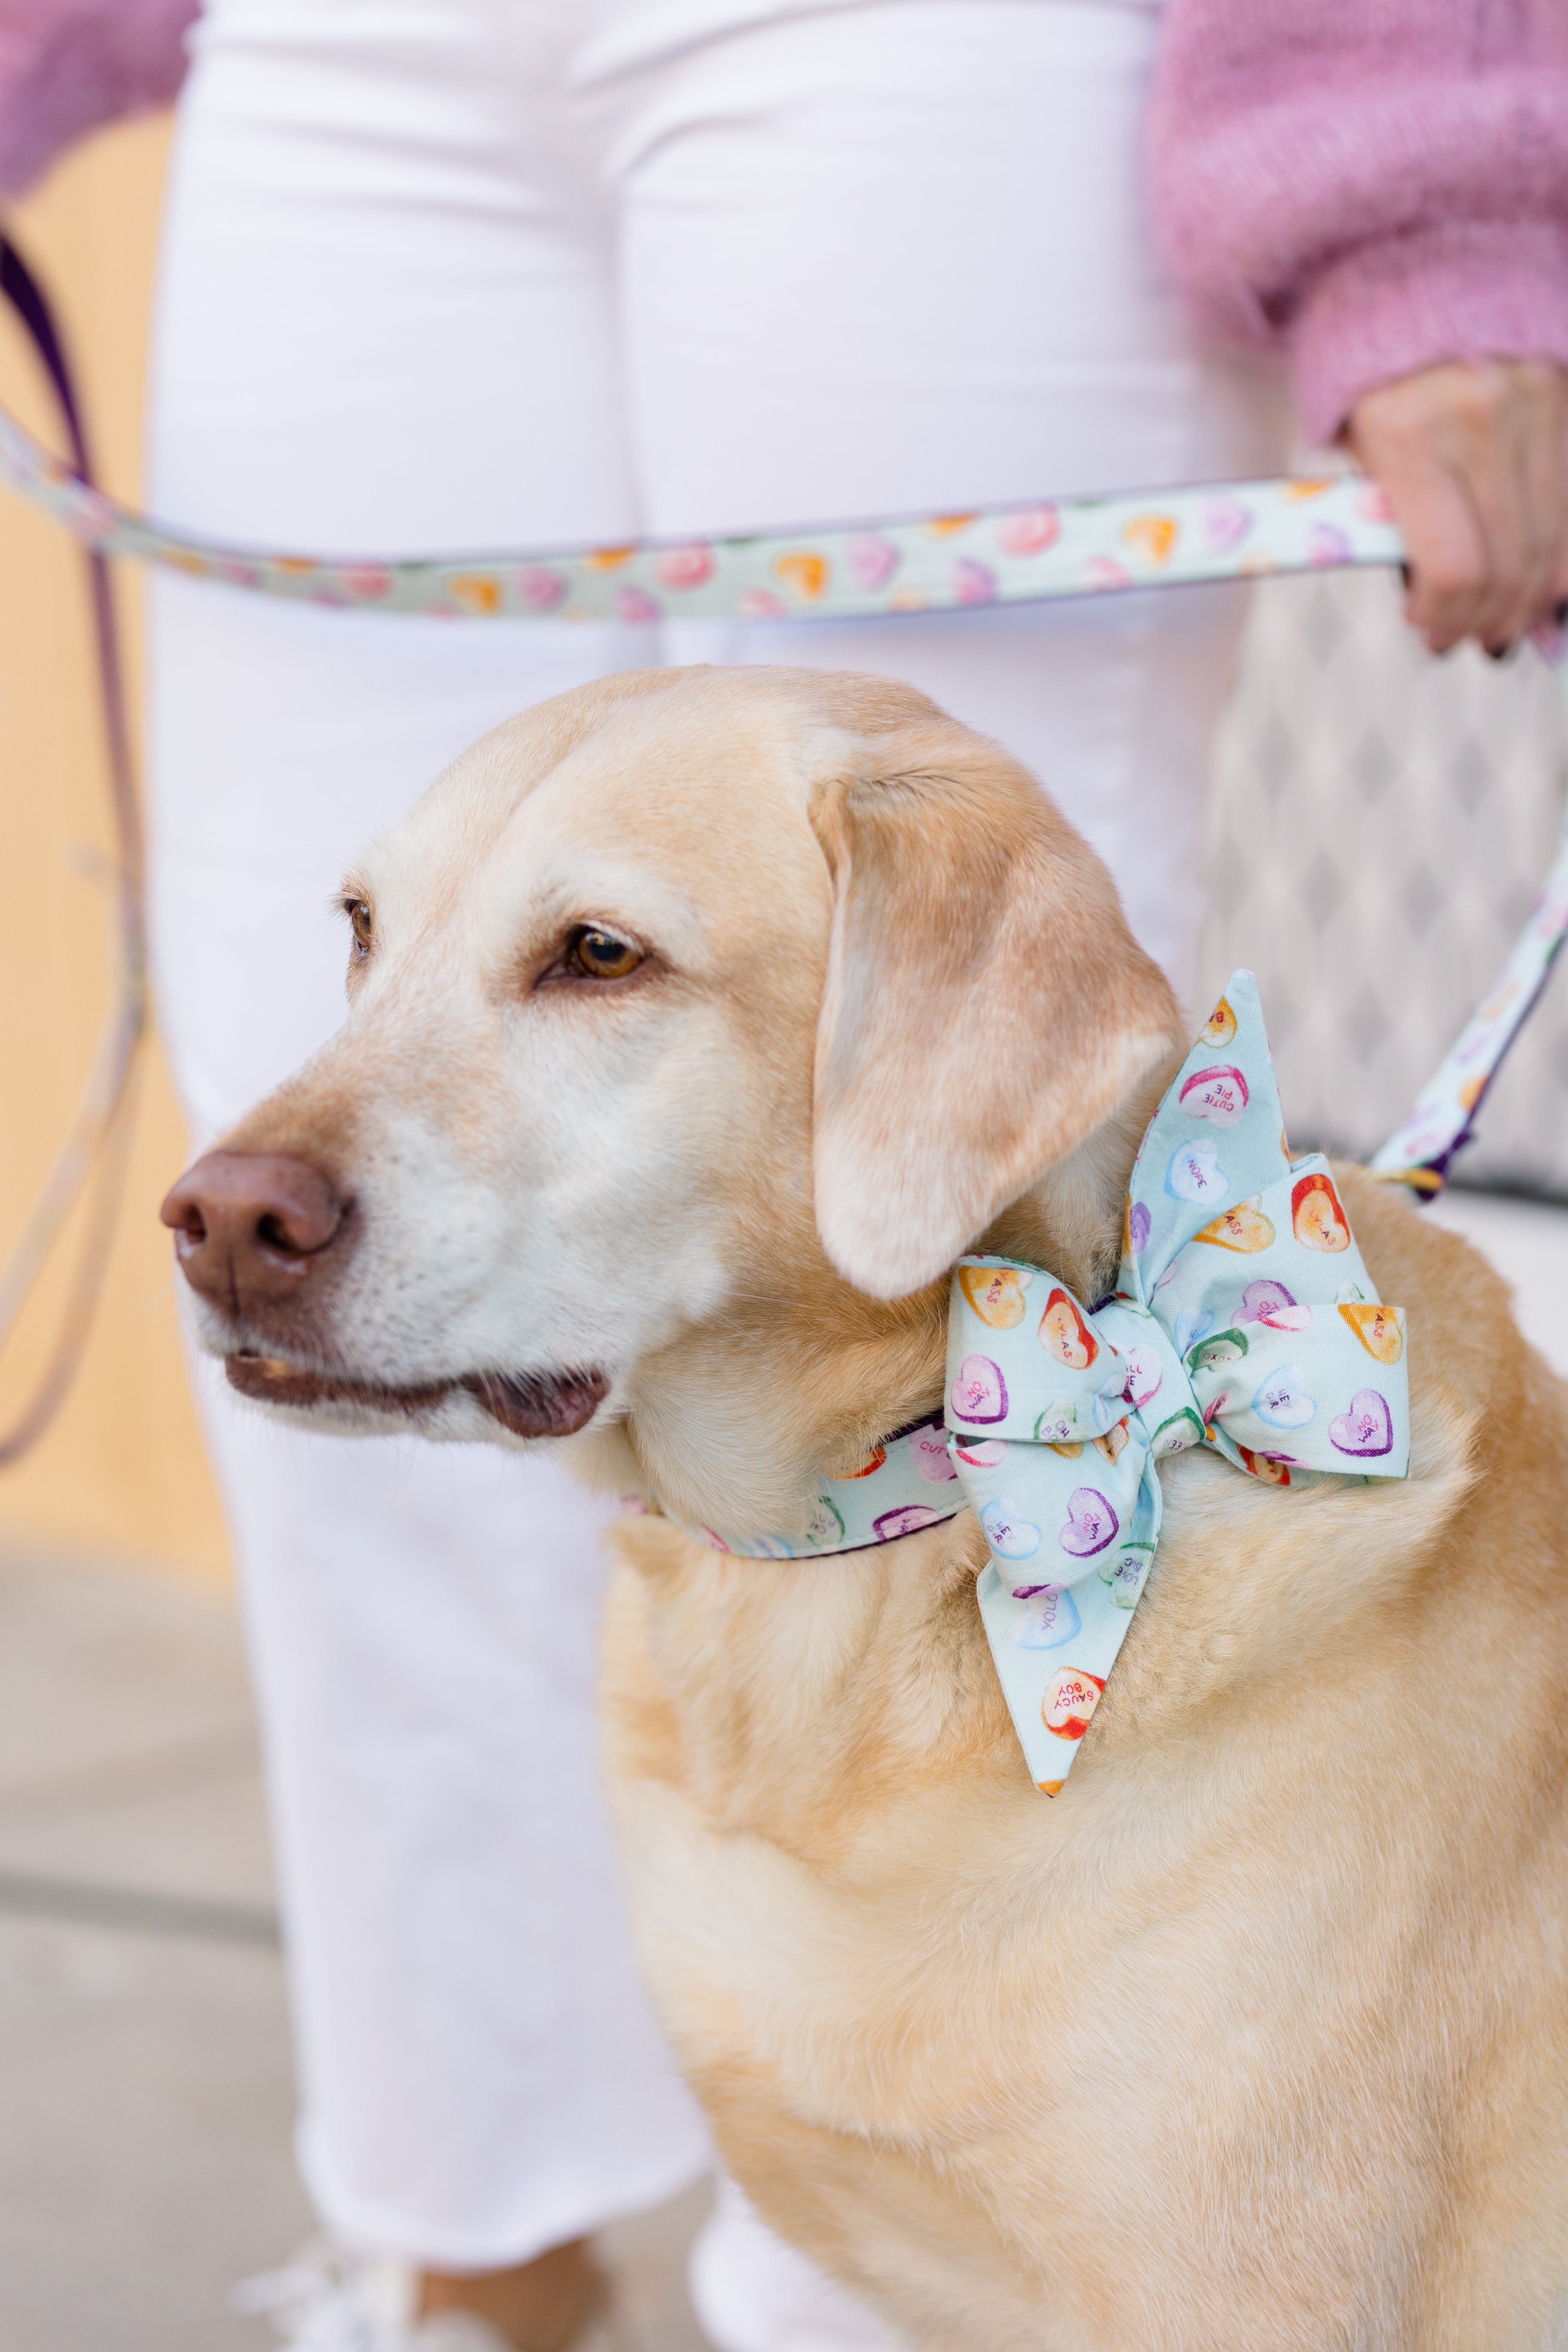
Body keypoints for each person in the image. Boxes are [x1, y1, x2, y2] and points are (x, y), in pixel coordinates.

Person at [3, 3, 1566, 2348]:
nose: (249, 1195)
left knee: (984, 1173)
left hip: (932, 56)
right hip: (337, 53)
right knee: (395, 1399)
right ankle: (471, 2270)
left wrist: (1433, 201)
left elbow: (992, 1112)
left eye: (591, 964)